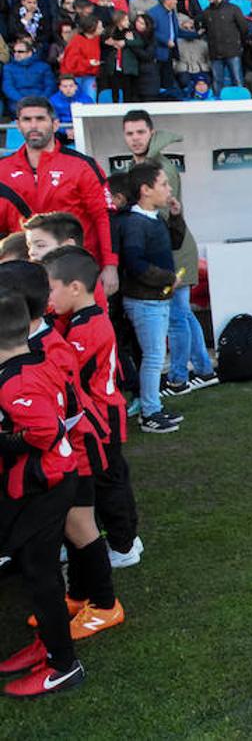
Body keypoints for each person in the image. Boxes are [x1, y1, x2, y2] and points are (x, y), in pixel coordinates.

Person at [6, 258, 126, 641]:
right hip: (65, 447)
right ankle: (77, 596)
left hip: (75, 448)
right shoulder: (37, 339)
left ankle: (106, 605)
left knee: (81, 528)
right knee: (72, 529)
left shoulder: (51, 347)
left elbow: (55, 408)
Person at [0, 289, 85, 698]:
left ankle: (63, 665)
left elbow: (46, 431)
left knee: (40, 573)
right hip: (51, 478)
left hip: (45, 484)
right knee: (38, 568)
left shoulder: (15, 381)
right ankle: (48, 644)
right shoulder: (34, 360)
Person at [119, 112, 218, 398]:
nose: (135, 138)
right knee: (183, 315)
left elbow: (159, 215)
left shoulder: (160, 167)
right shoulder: (136, 166)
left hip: (173, 250)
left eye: (140, 132)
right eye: (130, 133)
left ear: (151, 132)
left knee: (176, 316)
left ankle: (178, 378)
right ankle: (204, 370)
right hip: (167, 249)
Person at [0, 99, 117, 294]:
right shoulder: (3, 169)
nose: (34, 125)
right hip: (25, 273)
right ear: (18, 124)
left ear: (54, 124)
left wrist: (110, 265)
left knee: (86, 324)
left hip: (76, 270)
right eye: (27, 119)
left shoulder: (81, 165)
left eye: (40, 119)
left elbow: (104, 217)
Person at [117, 161, 185, 435]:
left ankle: (152, 406)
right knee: (154, 357)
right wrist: (169, 279)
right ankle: (150, 413)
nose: (169, 189)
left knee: (155, 355)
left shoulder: (154, 218)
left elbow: (175, 242)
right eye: (164, 184)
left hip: (155, 299)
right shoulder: (135, 224)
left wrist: (177, 216)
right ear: (145, 190)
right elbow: (135, 263)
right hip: (145, 301)